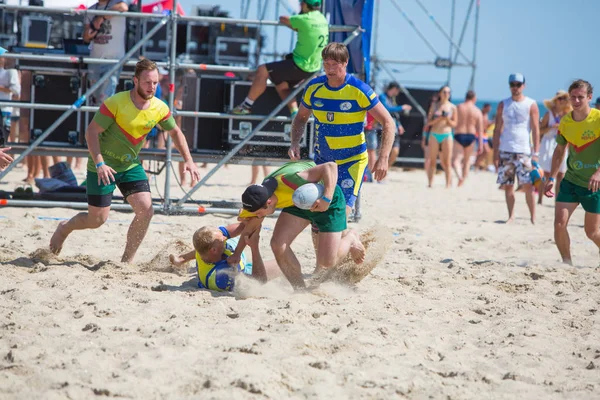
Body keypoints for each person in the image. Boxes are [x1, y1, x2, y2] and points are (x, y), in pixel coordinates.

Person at [49, 59, 201, 263]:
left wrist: (189, 161)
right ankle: (64, 228)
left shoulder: (159, 107)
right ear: (135, 80)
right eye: (147, 82)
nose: (152, 87)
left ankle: (126, 261)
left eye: (155, 82)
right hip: (102, 166)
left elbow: (175, 132)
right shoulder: (116, 102)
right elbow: (91, 132)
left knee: (146, 210)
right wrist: (100, 163)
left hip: (130, 166)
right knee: (97, 220)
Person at [288, 42, 396, 215]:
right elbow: (301, 118)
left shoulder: (359, 89)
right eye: (326, 64)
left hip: (352, 161)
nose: (329, 69)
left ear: (345, 63)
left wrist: (383, 158)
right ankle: (350, 241)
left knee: (339, 214)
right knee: (318, 214)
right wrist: (294, 142)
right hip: (323, 161)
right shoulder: (314, 88)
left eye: (334, 64)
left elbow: (388, 122)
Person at [230, 160, 365, 290]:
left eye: (260, 213)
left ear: (269, 202)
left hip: (328, 202)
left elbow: (330, 166)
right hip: (299, 202)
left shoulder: (292, 179)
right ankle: (300, 289)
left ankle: (350, 238)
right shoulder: (257, 199)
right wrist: (237, 254)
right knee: (278, 245)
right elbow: (250, 228)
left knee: (327, 261)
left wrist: (326, 198)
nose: (259, 217)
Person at [232, 0, 328, 118]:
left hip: (300, 65)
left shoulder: (304, 19)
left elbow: (283, 18)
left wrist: (297, 17)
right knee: (282, 85)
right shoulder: (322, 19)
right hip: (314, 68)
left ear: (304, 5)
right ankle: (294, 113)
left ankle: (246, 106)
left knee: (263, 70)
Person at [544, 79, 600, 265]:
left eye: (580, 97)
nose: (576, 101)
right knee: (559, 224)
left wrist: (598, 173)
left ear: (589, 97)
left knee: (592, 232)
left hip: (594, 185)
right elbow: (559, 150)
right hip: (571, 180)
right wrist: (551, 177)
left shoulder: (598, 119)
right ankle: (567, 264)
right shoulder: (566, 121)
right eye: (573, 97)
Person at [169, 222, 281, 291]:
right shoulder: (221, 275)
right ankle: (182, 259)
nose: (224, 237)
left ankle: (182, 258)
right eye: (221, 237)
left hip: (221, 254)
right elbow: (258, 280)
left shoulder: (204, 251)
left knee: (248, 224)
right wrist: (254, 248)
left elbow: (235, 229)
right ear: (214, 250)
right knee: (282, 264)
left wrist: (245, 221)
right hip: (242, 268)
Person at [493, 73, 540, 224]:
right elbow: (497, 129)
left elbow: (535, 129)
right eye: (512, 84)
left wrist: (536, 153)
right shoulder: (503, 104)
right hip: (506, 149)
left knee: (528, 186)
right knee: (508, 185)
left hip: (524, 150)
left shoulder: (530, 104)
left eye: (518, 84)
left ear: (523, 85)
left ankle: (533, 217)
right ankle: (511, 216)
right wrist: (495, 152)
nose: (515, 87)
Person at [83, 0, 130, 106]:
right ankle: (101, 122)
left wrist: (101, 17)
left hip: (113, 60)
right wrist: (91, 31)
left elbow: (123, 7)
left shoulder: (117, 3)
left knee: (106, 100)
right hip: (95, 60)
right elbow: (85, 37)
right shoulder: (91, 9)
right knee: (95, 100)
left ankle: (106, 122)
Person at [365, 82, 412, 177]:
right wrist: (402, 107)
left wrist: (399, 124)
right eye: (398, 90)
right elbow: (387, 110)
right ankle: (374, 174)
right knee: (375, 152)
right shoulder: (382, 97)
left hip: (391, 128)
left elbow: (392, 115)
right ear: (394, 88)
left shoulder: (391, 99)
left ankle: (383, 171)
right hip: (380, 129)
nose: (398, 93)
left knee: (394, 152)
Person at [537, 90, 571, 204]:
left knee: (561, 174)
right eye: (559, 98)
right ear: (555, 100)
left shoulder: (567, 114)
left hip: (562, 143)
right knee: (545, 173)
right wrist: (551, 127)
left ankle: (557, 199)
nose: (561, 101)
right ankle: (540, 198)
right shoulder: (549, 114)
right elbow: (540, 130)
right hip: (548, 143)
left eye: (564, 99)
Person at [424, 85, 458, 188]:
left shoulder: (453, 107)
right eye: (444, 92)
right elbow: (428, 122)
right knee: (432, 160)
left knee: (447, 161)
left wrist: (447, 119)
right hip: (434, 133)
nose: (446, 94)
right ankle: (430, 183)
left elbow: (454, 124)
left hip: (446, 134)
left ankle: (448, 184)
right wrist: (438, 118)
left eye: (448, 92)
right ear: (440, 93)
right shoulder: (434, 105)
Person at [452, 90, 483, 186]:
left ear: (465, 97)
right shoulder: (477, 110)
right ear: (474, 98)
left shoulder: (459, 107)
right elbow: (480, 130)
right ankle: (462, 181)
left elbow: (453, 122)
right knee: (467, 160)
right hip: (471, 135)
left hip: (459, 134)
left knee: (456, 160)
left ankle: (460, 176)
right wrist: (480, 144)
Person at [474, 103, 492, 170]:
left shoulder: (486, 115)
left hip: (484, 134)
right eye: (488, 109)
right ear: (484, 107)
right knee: (485, 150)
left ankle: (477, 164)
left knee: (485, 151)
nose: (489, 110)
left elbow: (485, 125)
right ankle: (476, 164)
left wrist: (490, 123)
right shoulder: (480, 114)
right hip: (479, 134)